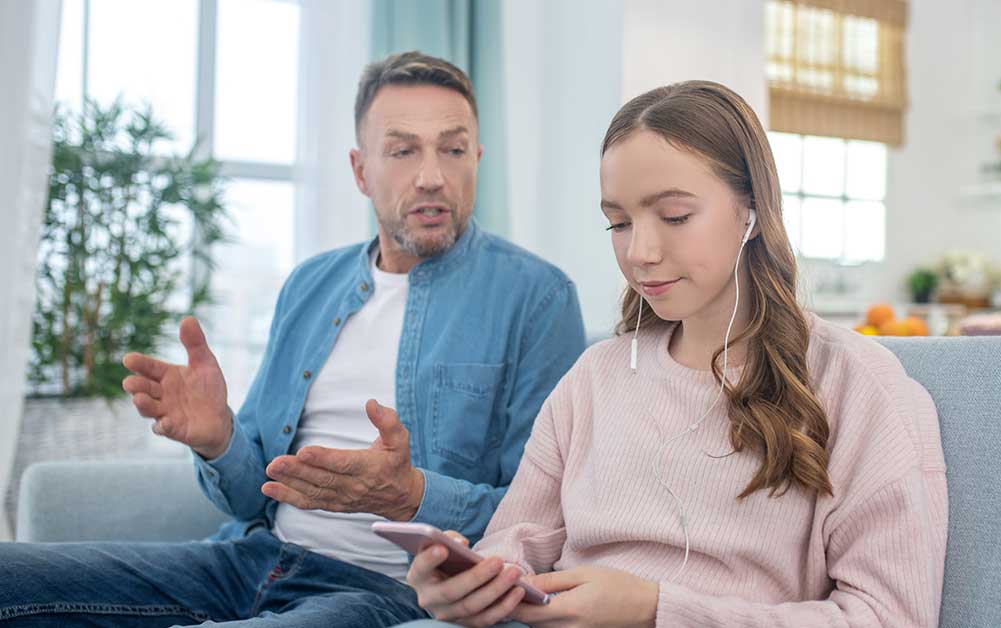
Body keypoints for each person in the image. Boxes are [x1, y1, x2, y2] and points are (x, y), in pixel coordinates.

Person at [0, 51, 585, 628]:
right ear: (361, 171)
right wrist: (219, 438)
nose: (432, 174)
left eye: (453, 150)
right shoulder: (311, 285)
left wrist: (412, 495)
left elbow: (540, 514)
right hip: (255, 558)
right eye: (403, 150)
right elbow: (251, 496)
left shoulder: (537, 298)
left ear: (476, 159)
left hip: (384, 590)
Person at [398, 81, 948, 628]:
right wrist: (470, 585)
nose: (640, 252)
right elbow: (516, 543)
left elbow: (889, 616)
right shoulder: (594, 377)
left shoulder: (854, 385)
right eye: (618, 222)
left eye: (676, 216)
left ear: (751, 212)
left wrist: (655, 610)